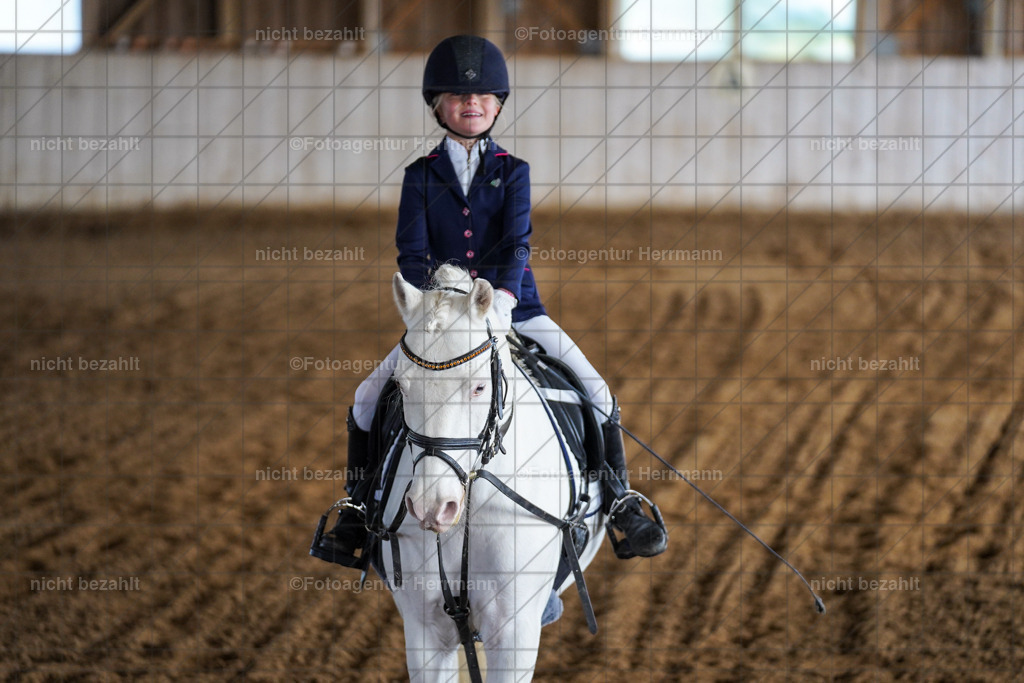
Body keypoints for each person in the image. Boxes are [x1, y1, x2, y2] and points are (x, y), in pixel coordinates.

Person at [312, 35, 666, 566]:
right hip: (440, 321)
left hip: (515, 308)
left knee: (598, 391)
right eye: (455, 96)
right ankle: (357, 511)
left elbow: (517, 242)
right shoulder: (420, 177)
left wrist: (500, 298)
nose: (469, 103)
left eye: (480, 97)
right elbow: (411, 254)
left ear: (498, 103)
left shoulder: (514, 171)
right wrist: (438, 303)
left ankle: (620, 501)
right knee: (366, 400)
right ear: (437, 105)